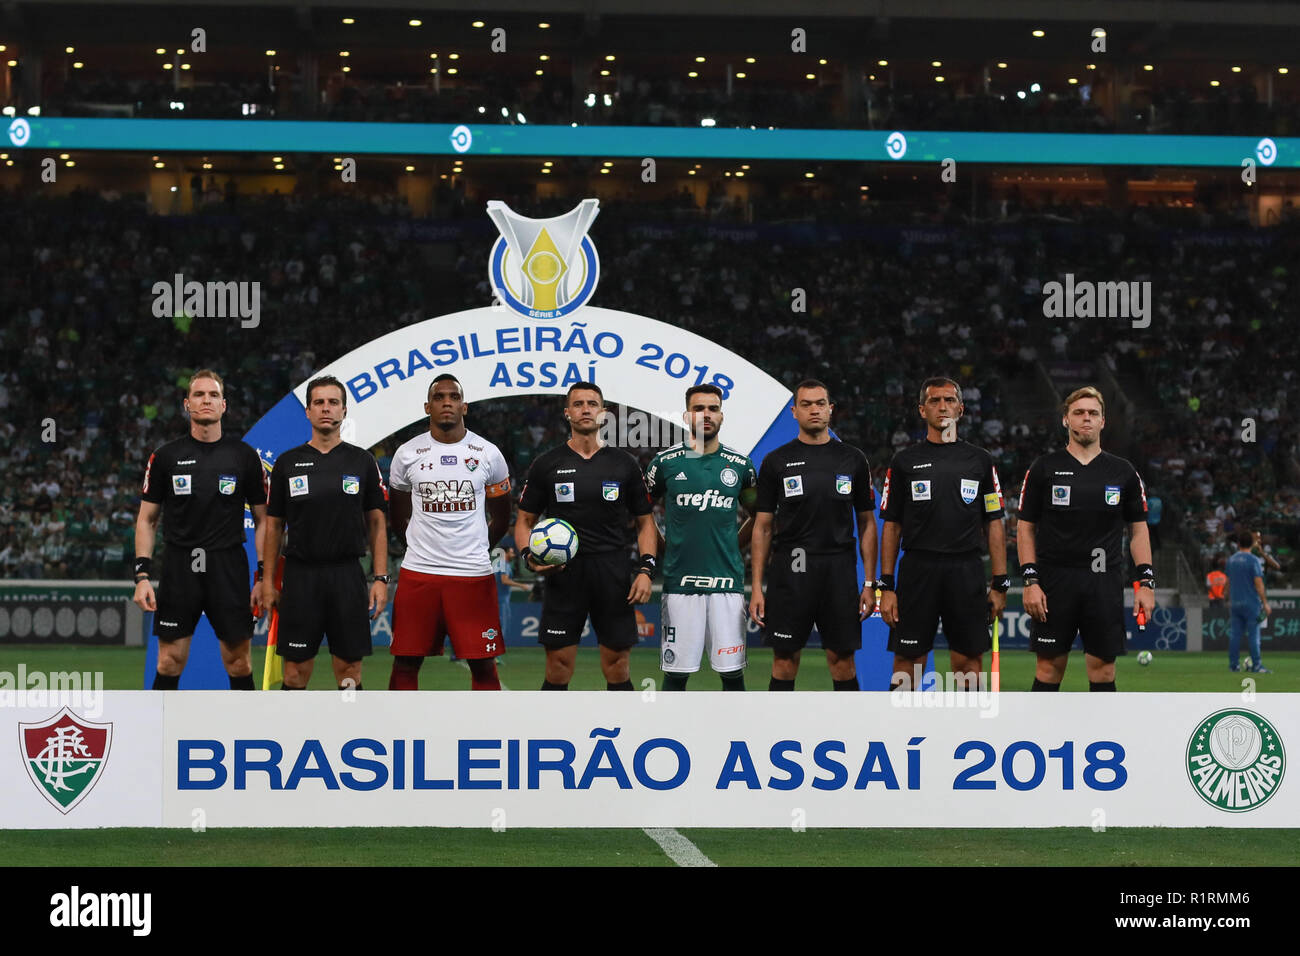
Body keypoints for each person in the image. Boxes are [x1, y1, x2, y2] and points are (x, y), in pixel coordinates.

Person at [515, 382, 658, 691]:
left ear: (603, 413)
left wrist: (646, 570)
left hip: (613, 572)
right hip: (564, 573)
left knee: (618, 666)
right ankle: (552, 735)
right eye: (578, 404)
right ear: (568, 413)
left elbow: (646, 523)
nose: (585, 409)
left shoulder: (625, 464)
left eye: (592, 403)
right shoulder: (547, 464)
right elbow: (524, 521)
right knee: (558, 667)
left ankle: (624, 736)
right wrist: (529, 557)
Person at [133, 369, 267, 689]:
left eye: (213, 395)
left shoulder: (245, 457)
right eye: (199, 395)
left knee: (238, 662)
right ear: (187, 404)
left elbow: (265, 521)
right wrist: (141, 576)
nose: (206, 400)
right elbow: (146, 519)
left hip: (228, 566)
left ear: (224, 405)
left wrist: (263, 576)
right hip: (181, 566)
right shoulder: (165, 457)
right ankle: (159, 737)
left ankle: (248, 736)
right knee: (168, 661)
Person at [1017, 386, 1155, 691]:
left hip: (1103, 581)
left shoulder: (1123, 472)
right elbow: (1025, 526)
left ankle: (1102, 740)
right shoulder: (1044, 468)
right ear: (1066, 419)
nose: (1086, 419)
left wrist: (1145, 582)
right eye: (1078, 413)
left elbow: (1138, 529)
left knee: (1104, 670)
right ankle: (1039, 737)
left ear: (1103, 421)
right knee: (1049, 667)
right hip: (1054, 581)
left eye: (1093, 413)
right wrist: (1030, 581)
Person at [257, 376, 389, 690]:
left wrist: (381, 578)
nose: (326, 409)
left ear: (344, 411)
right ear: (308, 412)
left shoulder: (362, 461)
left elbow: (377, 524)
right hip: (301, 577)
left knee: (349, 673)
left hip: (347, 575)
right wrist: (267, 581)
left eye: (333, 402)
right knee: (295, 673)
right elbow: (274, 526)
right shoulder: (288, 463)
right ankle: (292, 736)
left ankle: (348, 731)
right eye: (319, 402)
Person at [878, 378, 1008, 691]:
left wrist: (1000, 582)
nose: (942, 406)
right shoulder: (904, 461)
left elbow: (994, 521)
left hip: (966, 570)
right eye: (935, 401)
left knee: (967, 662)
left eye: (949, 400)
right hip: (917, 570)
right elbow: (892, 526)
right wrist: (887, 586)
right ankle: (900, 734)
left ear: (961, 409)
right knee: (907, 661)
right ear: (922, 410)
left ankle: (966, 736)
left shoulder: (980, 461)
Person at [748, 379, 877, 691]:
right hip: (793, 565)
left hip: (839, 569)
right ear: (794, 412)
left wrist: (870, 583)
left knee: (842, 659)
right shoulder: (775, 461)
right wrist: (755, 587)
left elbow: (868, 524)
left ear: (831, 409)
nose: (814, 409)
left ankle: (848, 735)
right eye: (806, 404)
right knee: (785, 658)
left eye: (820, 403)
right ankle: (777, 735)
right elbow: (763, 526)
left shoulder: (853, 459)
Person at [386, 374, 512, 690]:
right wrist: (417, 547)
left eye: (453, 397)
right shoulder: (406, 454)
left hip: (472, 574)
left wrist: (478, 547)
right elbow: (399, 516)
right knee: (405, 660)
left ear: (464, 406)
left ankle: (486, 735)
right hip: (420, 574)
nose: (446, 403)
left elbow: (501, 517)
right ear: (427, 406)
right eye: (439, 397)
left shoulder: (488, 453)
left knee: (483, 664)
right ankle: (398, 734)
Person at [645, 384, 757, 691]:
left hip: (728, 585)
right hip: (680, 584)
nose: (706, 415)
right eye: (698, 409)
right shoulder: (664, 464)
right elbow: (641, 515)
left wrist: (735, 543)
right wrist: (661, 546)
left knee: (733, 674)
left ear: (721, 416)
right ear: (686, 415)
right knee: (676, 674)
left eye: (712, 408)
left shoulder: (741, 466)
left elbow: (758, 516)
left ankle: (735, 738)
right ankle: (669, 736)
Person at [1224, 530, 1271, 673]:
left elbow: (1228, 582)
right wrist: (1265, 602)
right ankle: (1257, 665)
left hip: (1236, 603)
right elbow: (1258, 583)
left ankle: (1233, 665)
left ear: (1238, 544)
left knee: (1235, 635)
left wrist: (1226, 597)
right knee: (1253, 635)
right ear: (1252, 543)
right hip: (1251, 603)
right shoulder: (1253, 560)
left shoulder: (1231, 560)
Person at [492, 540, 530, 644]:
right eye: (511, 552)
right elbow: (504, 580)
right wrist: (521, 585)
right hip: (501, 600)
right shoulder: (503, 564)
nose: (513, 554)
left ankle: (494, 652)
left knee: (499, 626)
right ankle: (495, 654)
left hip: (498, 599)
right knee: (502, 627)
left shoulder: (499, 563)